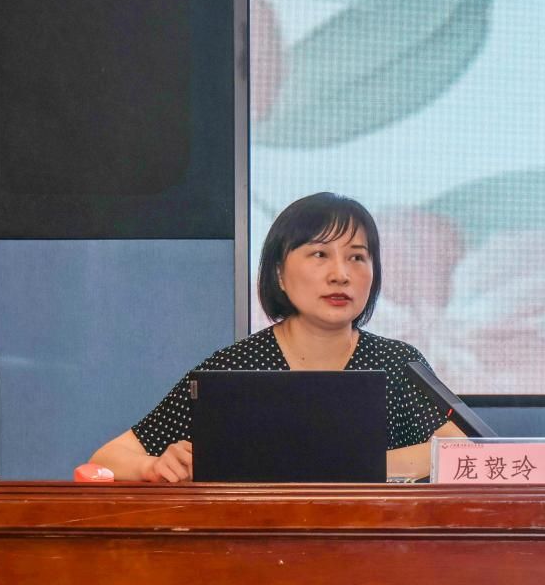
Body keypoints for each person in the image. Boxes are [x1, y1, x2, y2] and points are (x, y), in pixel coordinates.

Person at [90, 192, 464, 482]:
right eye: (320, 254)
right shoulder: (237, 367)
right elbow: (106, 459)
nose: (340, 274)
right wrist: (154, 467)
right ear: (280, 274)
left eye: (356, 257)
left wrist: (350, 467)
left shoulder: (397, 363)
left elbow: (464, 451)